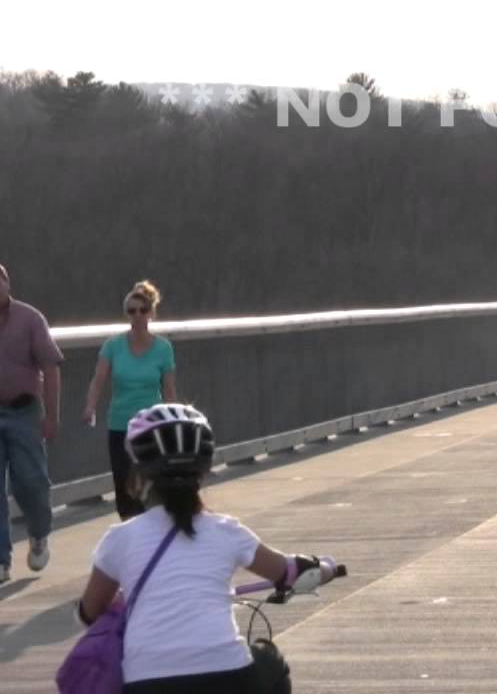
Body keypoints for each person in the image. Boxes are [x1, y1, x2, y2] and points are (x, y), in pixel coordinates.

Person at [74, 404, 341, 692]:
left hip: (146, 682)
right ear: (204, 473)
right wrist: (323, 568)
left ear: (139, 475)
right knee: (268, 660)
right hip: (227, 678)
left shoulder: (119, 539)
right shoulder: (226, 531)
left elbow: (89, 613)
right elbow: (288, 572)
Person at [84, 281, 178, 521]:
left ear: (151, 313)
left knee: (151, 481)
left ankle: (153, 527)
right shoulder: (113, 346)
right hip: (120, 424)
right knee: (124, 482)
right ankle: (129, 528)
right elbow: (99, 379)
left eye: (142, 310)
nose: (137, 316)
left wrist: (174, 420)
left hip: (151, 426)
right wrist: (90, 406)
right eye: (131, 311)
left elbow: (168, 389)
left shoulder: (163, 348)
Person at [0, 263, 62, 584]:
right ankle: (1, 559)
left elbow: (51, 368)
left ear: (8, 284)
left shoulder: (30, 318)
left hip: (24, 411)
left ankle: (39, 533)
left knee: (31, 482)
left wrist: (51, 416)